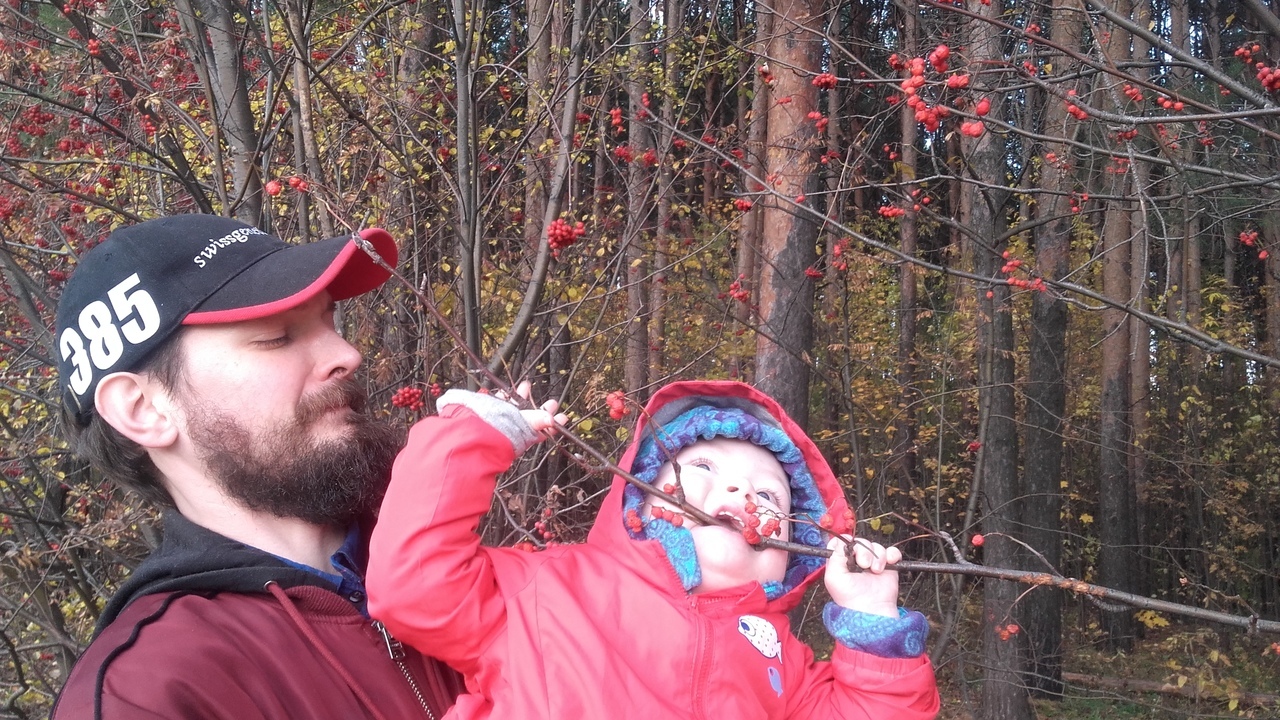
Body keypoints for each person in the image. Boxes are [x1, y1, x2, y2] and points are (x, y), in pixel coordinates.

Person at [51, 214, 461, 720]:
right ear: (144, 410)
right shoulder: (149, 697)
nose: (347, 354)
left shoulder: (445, 558)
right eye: (277, 337)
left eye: (329, 321)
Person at [368, 379, 940, 719]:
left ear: (793, 549)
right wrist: (476, 436)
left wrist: (871, 622)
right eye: (704, 468)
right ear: (636, 504)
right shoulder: (545, 591)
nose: (742, 492)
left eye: (769, 492)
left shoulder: (783, 666)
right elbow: (415, 584)